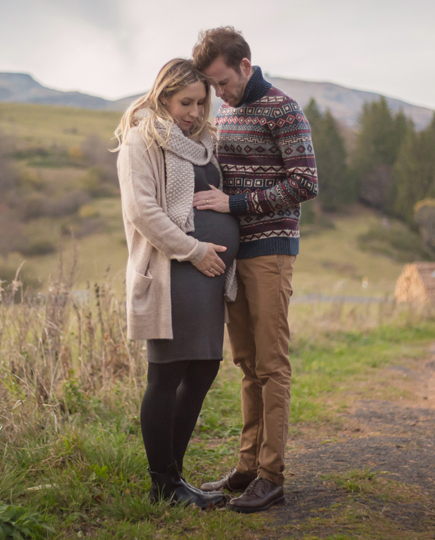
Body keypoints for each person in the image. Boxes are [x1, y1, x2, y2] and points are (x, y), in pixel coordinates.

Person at [191, 27, 318, 513]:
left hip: (271, 252)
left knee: (271, 364)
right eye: (212, 86)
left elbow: (306, 182)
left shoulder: (284, 110)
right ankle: (247, 467)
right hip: (235, 254)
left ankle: (272, 476)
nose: (217, 94)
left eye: (222, 82)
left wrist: (236, 202)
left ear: (245, 64)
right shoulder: (228, 107)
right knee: (247, 364)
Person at [114, 58, 240, 509]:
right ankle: (162, 484)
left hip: (207, 276)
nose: (194, 111)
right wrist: (195, 249)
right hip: (173, 271)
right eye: (186, 102)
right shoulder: (140, 140)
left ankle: (174, 478)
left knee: (204, 369)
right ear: (163, 95)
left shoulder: (202, 142)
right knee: (166, 373)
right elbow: (143, 212)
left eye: (201, 103)